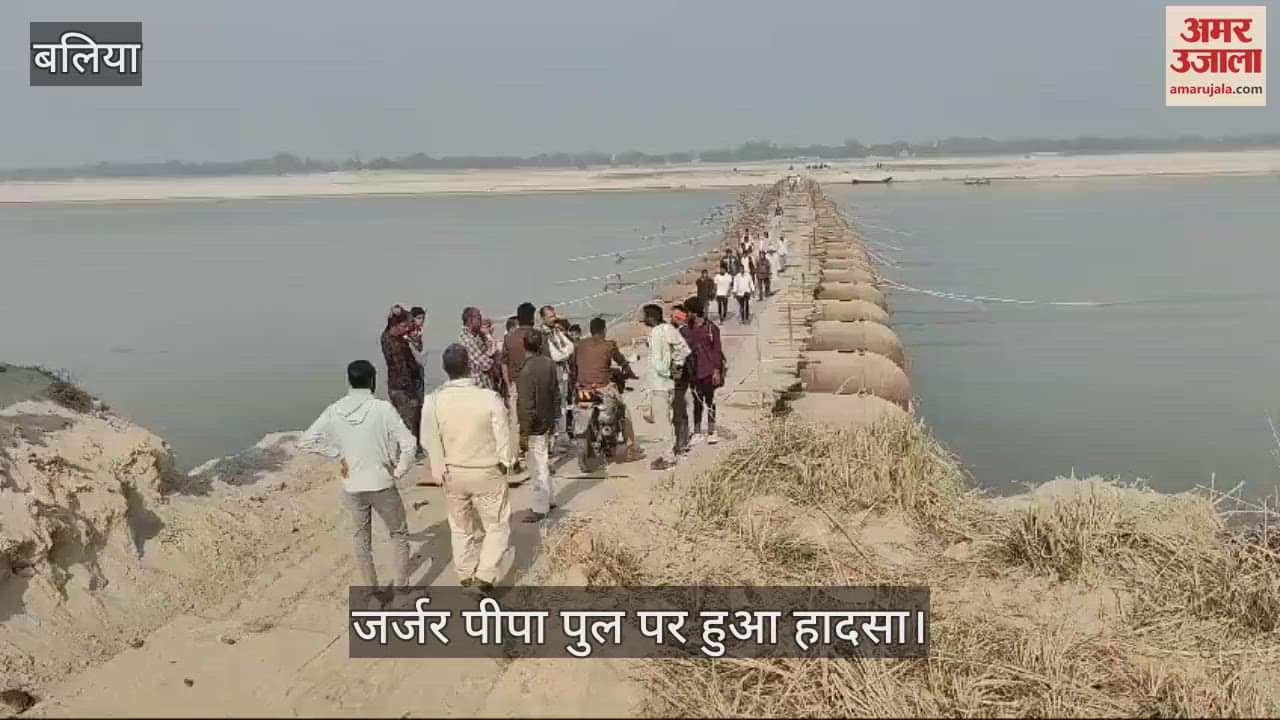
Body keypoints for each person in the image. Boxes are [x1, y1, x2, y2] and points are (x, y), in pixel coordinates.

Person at [299, 360, 415, 598]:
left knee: (362, 541)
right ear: (372, 381)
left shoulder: (334, 410)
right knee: (398, 534)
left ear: (349, 381)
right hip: (382, 483)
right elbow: (409, 443)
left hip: (353, 486)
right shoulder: (383, 409)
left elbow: (307, 441)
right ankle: (402, 590)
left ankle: (374, 594)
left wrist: (338, 454)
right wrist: (400, 469)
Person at [420, 344, 512, 595]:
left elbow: (427, 439)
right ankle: (484, 576)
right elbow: (502, 432)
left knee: (460, 527)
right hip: (485, 470)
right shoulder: (488, 397)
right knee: (496, 525)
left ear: (444, 369)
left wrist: (438, 468)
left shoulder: (433, 400)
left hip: (452, 473)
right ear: (469, 365)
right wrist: (506, 462)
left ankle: (465, 575)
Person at [574, 316, 643, 462]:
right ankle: (631, 449)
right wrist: (630, 373)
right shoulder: (609, 345)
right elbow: (622, 361)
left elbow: (575, 364)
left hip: (582, 388)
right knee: (625, 413)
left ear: (591, 330)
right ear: (604, 330)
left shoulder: (579, 345)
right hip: (603, 388)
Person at [516, 331, 558, 522]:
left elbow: (526, 406)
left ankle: (540, 508)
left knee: (537, 466)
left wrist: (523, 433)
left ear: (525, 346)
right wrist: (555, 418)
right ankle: (549, 499)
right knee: (543, 460)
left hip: (535, 424)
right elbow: (554, 391)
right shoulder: (548, 363)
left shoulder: (525, 371)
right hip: (547, 419)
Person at [642, 304, 690, 471]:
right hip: (664, 383)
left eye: (645, 316)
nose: (643, 319)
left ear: (651, 317)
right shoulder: (668, 329)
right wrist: (677, 365)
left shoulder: (657, 332)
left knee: (663, 423)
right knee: (660, 418)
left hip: (660, 384)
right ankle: (668, 452)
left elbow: (658, 361)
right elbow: (683, 349)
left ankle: (668, 458)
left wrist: (670, 369)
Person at [683, 298, 726, 445]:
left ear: (693, 312)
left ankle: (712, 430)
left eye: (687, 311)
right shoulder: (686, 329)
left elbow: (717, 350)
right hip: (694, 371)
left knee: (710, 400)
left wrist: (716, 370)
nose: (686, 314)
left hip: (709, 370)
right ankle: (696, 431)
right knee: (697, 401)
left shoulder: (711, 328)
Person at [501, 303, 538, 471]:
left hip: (515, 384)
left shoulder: (509, 337)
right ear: (532, 317)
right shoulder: (538, 336)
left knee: (515, 424)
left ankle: (513, 461)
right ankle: (537, 460)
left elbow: (503, 363)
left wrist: (508, 383)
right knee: (536, 421)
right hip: (535, 384)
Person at [381, 307, 423, 448]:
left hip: (398, 386)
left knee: (406, 421)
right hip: (402, 388)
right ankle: (410, 452)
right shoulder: (394, 344)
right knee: (409, 422)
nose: (406, 329)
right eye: (403, 326)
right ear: (395, 326)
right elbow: (402, 369)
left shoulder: (390, 336)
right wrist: (412, 394)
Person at [539, 306, 576, 450]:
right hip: (552, 373)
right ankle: (556, 438)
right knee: (555, 405)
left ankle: (563, 435)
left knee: (564, 403)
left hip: (562, 370)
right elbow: (556, 355)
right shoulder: (543, 334)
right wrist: (565, 353)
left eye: (554, 315)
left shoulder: (556, 331)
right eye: (550, 317)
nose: (553, 319)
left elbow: (570, 347)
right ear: (543, 318)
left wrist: (565, 353)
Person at [458, 307, 502, 394]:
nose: (480, 322)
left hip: (487, 386)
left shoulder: (477, 336)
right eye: (479, 318)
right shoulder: (467, 340)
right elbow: (485, 364)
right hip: (479, 389)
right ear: (470, 320)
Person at [670, 307, 692, 456]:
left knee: (678, 409)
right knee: (680, 407)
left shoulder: (681, 335)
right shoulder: (686, 332)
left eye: (672, 316)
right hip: (684, 375)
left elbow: (682, 356)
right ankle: (683, 439)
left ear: (678, 318)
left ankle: (681, 443)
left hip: (680, 376)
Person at [409, 307, 429, 401]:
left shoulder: (419, 332)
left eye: (423, 319)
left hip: (419, 368)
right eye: (419, 318)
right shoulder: (408, 333)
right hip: (411, 368)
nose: (422, 321)